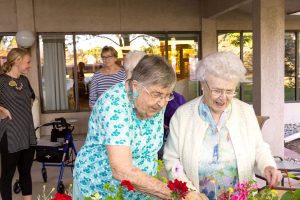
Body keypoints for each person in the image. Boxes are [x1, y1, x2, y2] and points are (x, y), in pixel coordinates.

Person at [163, 52, 282, 200]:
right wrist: (188, 192)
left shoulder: (245, 112)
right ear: (203, 85)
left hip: (241, 197)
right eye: (217, 90)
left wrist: (268, 166)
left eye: (230, 91)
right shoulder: (183, 116)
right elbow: (172, 159)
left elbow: (258, 148)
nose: (223, 98)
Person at [73, 55, 178, 199]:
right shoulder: (113, 104)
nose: (162, 103)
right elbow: (121, 170)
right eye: (157, 94)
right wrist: (175, 194)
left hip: (142, 191)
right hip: (102, 191)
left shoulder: (156, 102)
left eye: (167, 95)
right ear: (135, 86)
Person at [0, 48, 37, 200]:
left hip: (27, 132)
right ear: (17, 61)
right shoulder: (1, 80)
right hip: (10, 134)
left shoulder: (24, 80)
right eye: (28, 62)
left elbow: (32, 97)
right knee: (8, 175)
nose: (29, 65)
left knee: (25, 172)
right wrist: (2, 109)